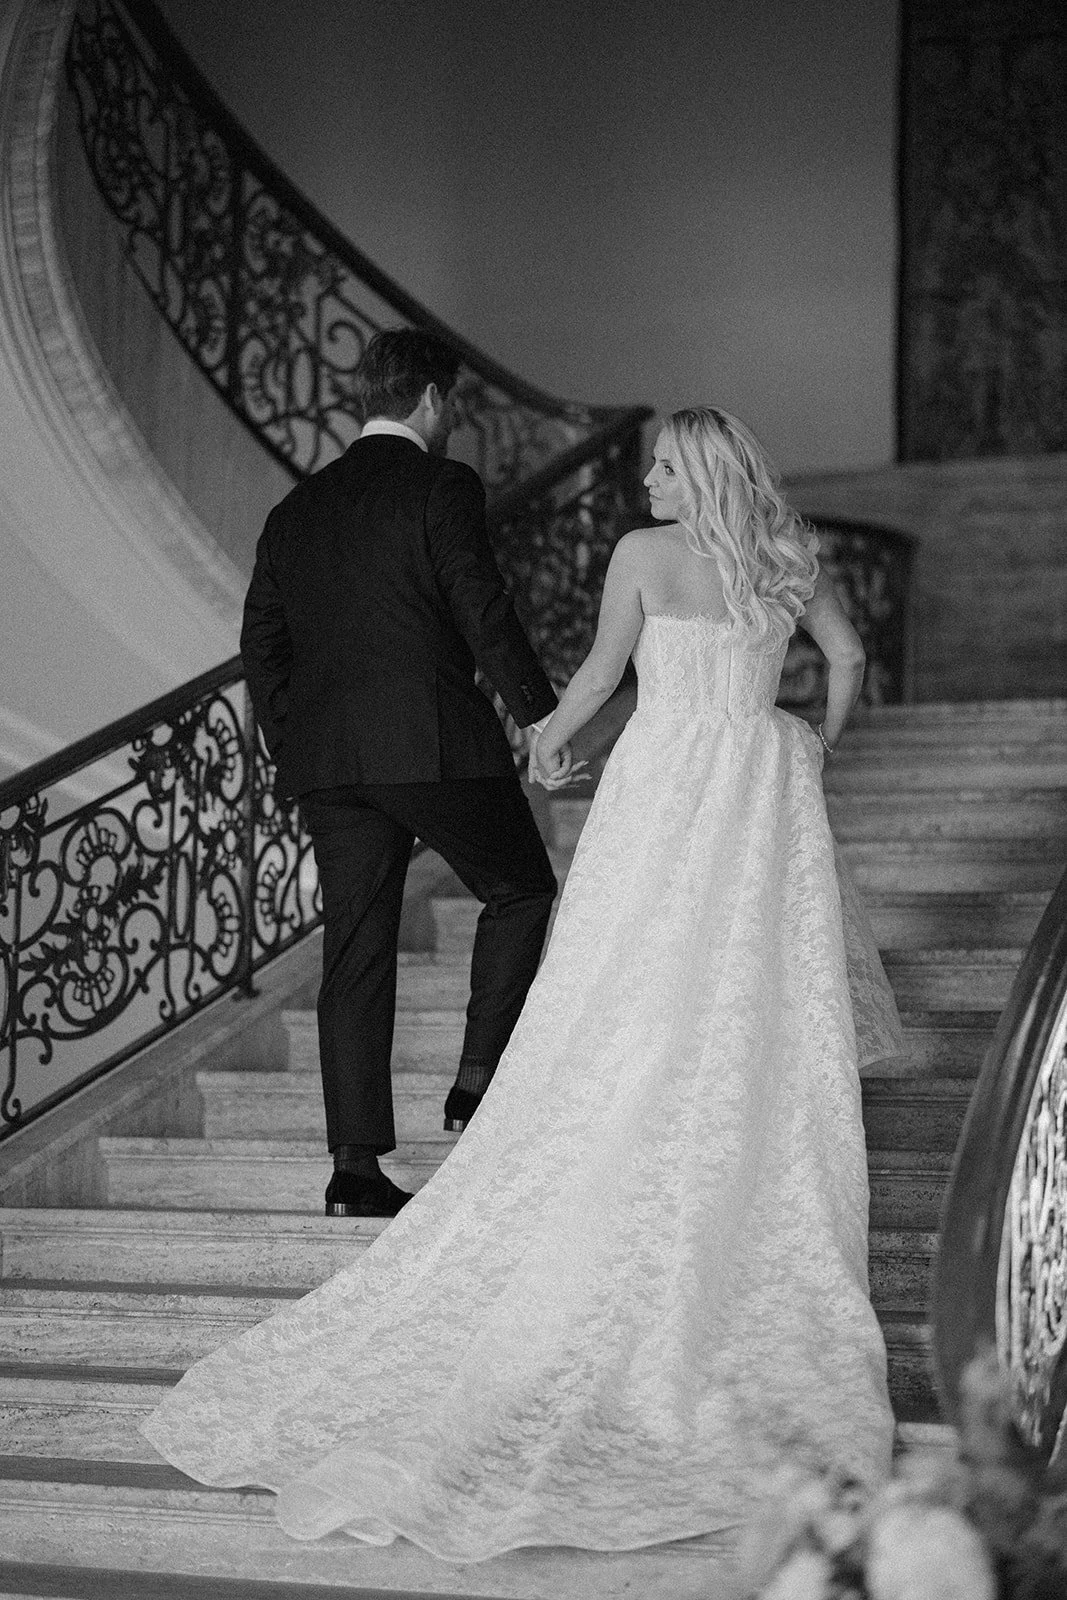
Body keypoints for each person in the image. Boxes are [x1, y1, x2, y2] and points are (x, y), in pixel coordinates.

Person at [144, 406, 905, 1572]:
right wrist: (815, 748)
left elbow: (602, 675)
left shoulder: (643, 558)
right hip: (757, 784)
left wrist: (544, 739)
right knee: (744, 991)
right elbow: (847, 661)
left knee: (627, 983)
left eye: (657, 459)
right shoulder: (785, 548)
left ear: (693, 465)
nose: (642, 476)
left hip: (662, 782)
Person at [240, 328, 569, 1220]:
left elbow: (260, 646)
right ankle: (475, 1081)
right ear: (430, 399)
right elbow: (479, 605)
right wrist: (543, 715)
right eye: (453, 403)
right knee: (521, 889)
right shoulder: (441, 484)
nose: (453, 417)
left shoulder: (295, 510)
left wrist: (298, 743)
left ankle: (354, 1168)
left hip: (330, 765)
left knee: (354, 949)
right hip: (432, 746)